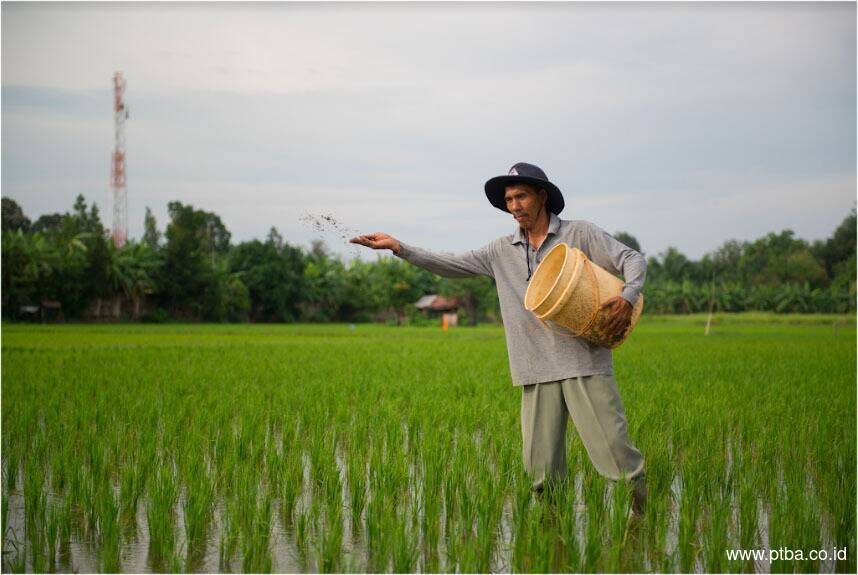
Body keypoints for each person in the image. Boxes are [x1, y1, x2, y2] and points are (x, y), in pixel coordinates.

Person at [350, 162, 647, 515]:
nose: (515, 205)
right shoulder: (499, 251)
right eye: (508, 199)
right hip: (534, 369)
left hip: (584, 362)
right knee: (542, 474)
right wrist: (400, 247)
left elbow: (632, 258)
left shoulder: (579, 235)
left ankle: (642, 521)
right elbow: (450, 264)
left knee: (616, 456)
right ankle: (551, 538)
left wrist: (628, 297)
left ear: (542, 195)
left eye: (521, 196)